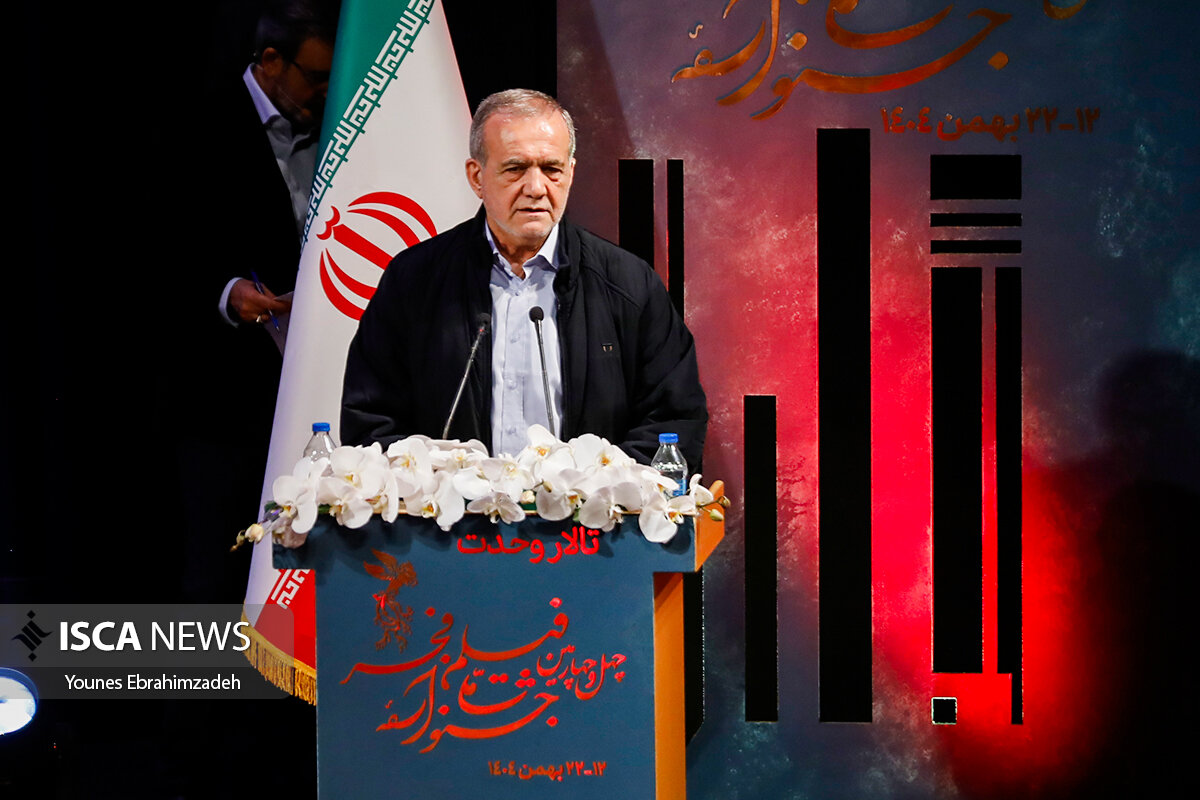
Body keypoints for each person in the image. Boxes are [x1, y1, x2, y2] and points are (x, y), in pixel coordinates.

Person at [341, 89, 707, 468]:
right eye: (515, 168)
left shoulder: (630, 284)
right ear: (477, 177)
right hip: (451, 507)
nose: (536, 188)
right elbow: (371, 422)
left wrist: (600, 491)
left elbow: (673, 421)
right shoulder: (414, 281)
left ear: (570, 173)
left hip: (584, 509)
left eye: (551, 169)